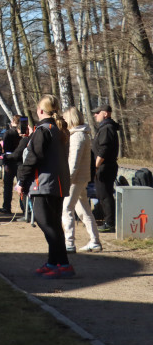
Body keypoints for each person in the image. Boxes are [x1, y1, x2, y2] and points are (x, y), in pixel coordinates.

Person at [17, 95, 73, 279]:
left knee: (47, 224)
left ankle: (62, 264)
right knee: (54, 224)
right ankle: (54, 261)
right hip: (56, 183)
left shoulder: (43, 130)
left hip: (44, 184)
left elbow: (33, 158)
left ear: (40, 111)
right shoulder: (58, 129)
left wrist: (22, 181)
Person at [62, 107, 102, 253]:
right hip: (81, 178)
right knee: (84, 210)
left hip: (75, 179)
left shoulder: (77, 136)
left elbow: (74, 162)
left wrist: (68, 179)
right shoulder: (83, 134)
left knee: (67, 209)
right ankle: (95, 240)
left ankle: (69, 242)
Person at [92, 104, 120, 233]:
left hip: (105, 167)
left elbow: (104, 150)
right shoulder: (104, 127)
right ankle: (107, 220)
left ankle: (110, 223)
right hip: (104, 166)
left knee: (105, 195)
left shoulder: (107, 128)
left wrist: (96, 166)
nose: (95, 115)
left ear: (105, 113)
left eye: (97, 113)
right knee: (102, 194)